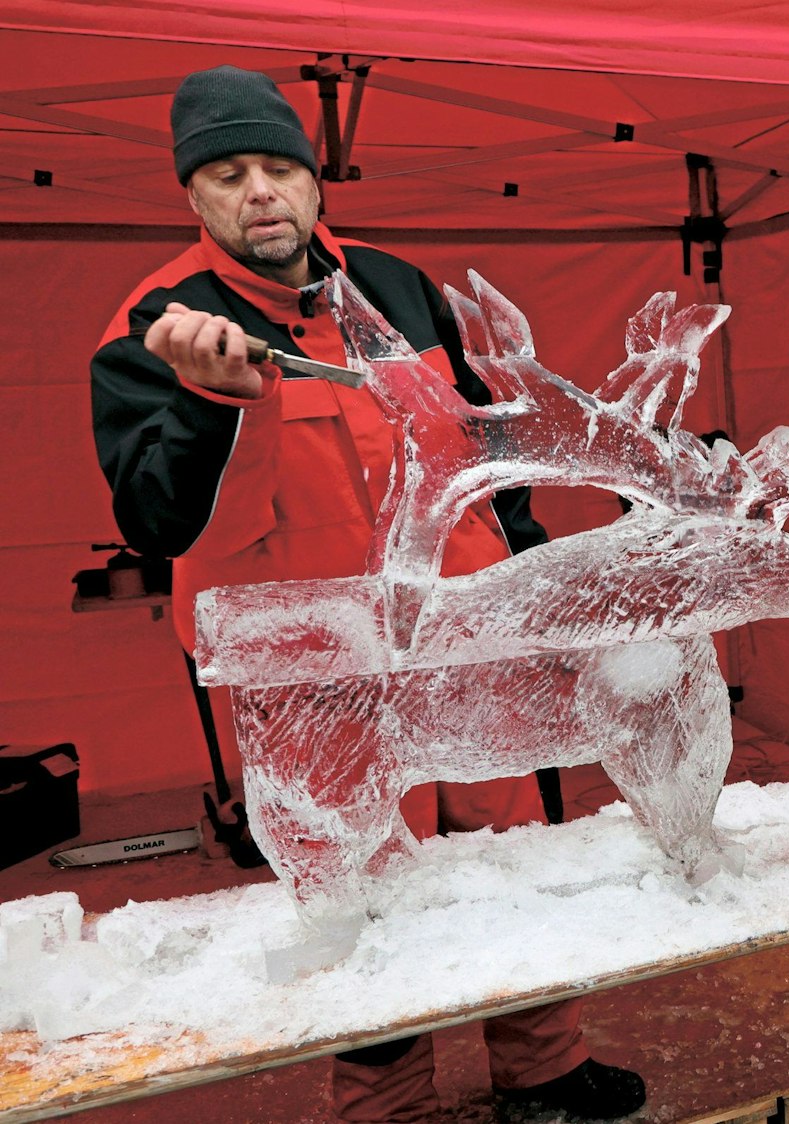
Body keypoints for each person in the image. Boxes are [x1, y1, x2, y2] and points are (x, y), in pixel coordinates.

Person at [89, 66, 646, 1124]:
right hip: (320, 679)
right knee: (363, 889)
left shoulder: (397, 285)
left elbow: (486, 449)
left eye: (277, 167)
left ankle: (544, 1062)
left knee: (513, 855)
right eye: (225, 173)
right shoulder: (154, 327)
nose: (258, 192)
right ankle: (388, 1101)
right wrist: (212, 403)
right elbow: (157, 522)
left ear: (314, 180)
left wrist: (528, 583)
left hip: (470, 643)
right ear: (191, 197)